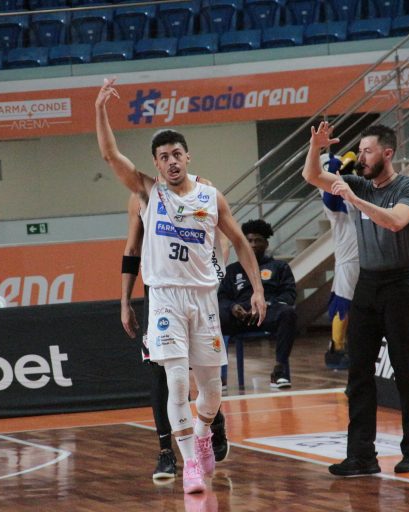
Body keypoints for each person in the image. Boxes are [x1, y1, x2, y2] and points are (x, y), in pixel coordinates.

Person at [96, 77, 266, 494]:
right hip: (165, 298)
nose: (171, 162)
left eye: (176, 154)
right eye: (163, 157)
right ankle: (189, 462)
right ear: (155, 164)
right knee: (174, 381)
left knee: (211, 393)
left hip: (204, 299)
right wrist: (100, 109)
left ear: (187, 157)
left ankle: (205, 432)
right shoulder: (147, 193)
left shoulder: (210, 197)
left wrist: (258, 289)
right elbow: (110, 154)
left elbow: (240, 242)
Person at [303, 122, 409, 476]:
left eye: (368, 151)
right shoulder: (358, 182)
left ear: (388, 153)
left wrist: (355, 200)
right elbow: (312, 175)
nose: (361, 157)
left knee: (405, 369)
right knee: (358, 370)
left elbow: (395, 222)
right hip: (367, 283)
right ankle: (361, 455)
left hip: (400, 285)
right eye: (360, 150)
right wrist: (316, 147)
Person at [121, 191, 229, 481]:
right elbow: (132, 249)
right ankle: (166, 452)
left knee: (205, 371)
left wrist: (215, 276)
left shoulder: (202, 189)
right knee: (163, 372)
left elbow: (223, 237)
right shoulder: (140, 196)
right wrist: (125, 301)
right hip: (161, 292)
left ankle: (212, 421)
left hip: (197, 289)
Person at [218, 219, 297, 388]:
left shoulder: (279, 267)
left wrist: (265, 305)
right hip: (241, 316)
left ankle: (279, 371)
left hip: (267, 314)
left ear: (266, 244)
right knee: (213, 316)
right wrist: (233, 308)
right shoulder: (232, 270)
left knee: (288, 313)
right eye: (249, 240)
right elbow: (222, 298)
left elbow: (289, 294)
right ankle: (217, 376)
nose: (253, 244)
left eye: (258, 240)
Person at [320, 151, 359, 370]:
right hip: (350, 259)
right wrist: (338, 167)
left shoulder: (349, 194)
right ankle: (337, 348)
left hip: (356, 257)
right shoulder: (332, 200)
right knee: (342, 303)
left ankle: (341, 347)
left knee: (343, 302)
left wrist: (346, 167)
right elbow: (331, 195)